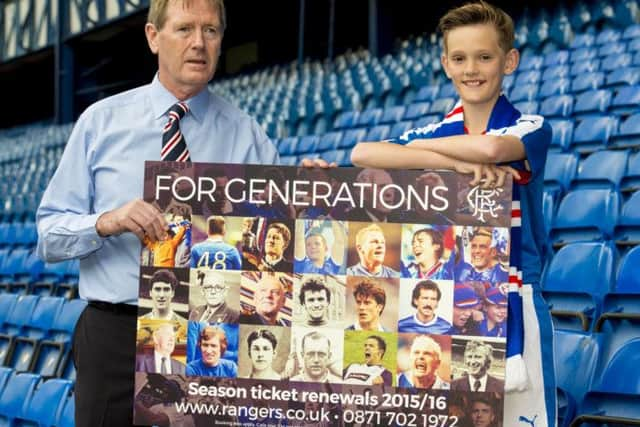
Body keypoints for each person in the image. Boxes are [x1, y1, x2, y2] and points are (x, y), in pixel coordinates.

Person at [35, 1, 281, 424]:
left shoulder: (248, 135)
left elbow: (281, 236)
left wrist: (321, 189)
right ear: (153, 37)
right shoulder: (100, 123)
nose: (199, 44)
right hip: (115, 335)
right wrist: (105, 222)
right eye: (184, 29)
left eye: (211, 31)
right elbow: (48, 237)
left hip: (208, 335)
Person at [351, 2, 556, 423]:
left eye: (485, 56)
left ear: (509, 61)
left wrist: (420, 154)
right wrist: (454, 164)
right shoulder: (434, 131)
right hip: (451, 309)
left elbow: (491, 149)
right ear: (445, 64)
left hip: (517, 303)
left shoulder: (530, 125)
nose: (471, 68)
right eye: (459, 58)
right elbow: (361, 152)